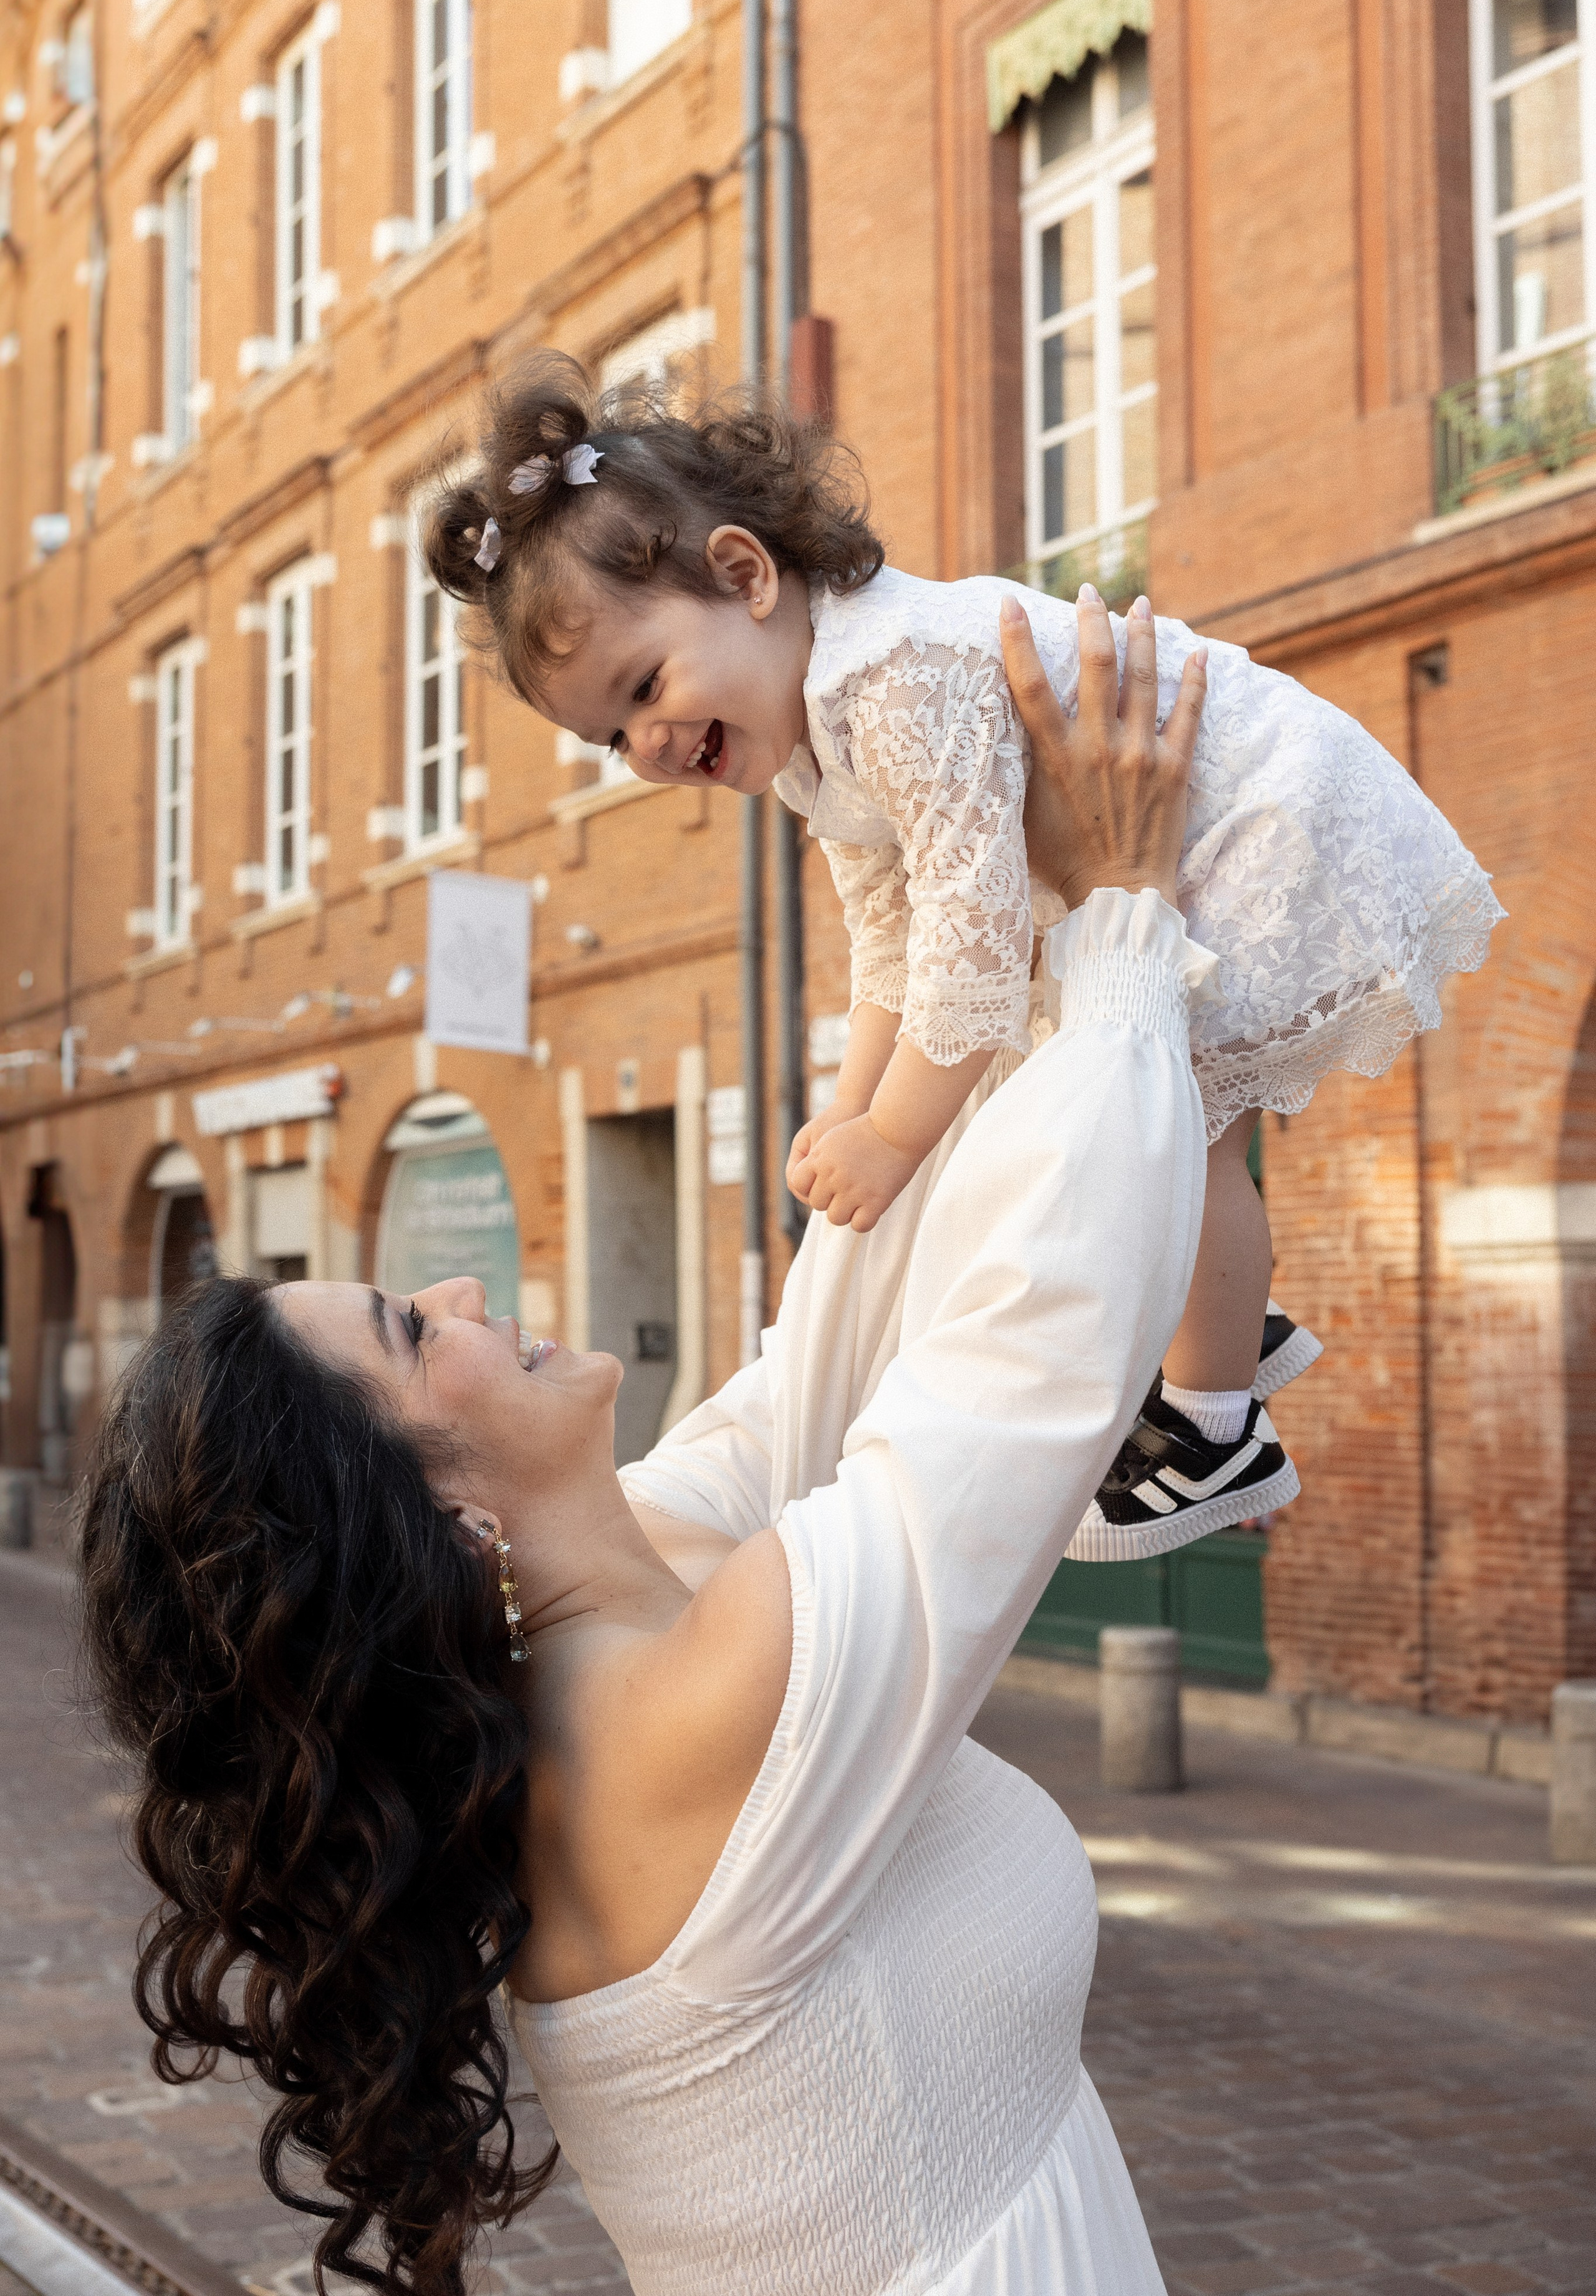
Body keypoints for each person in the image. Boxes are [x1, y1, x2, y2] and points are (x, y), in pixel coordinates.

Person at [82, 599, 1208, 2296]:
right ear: (442, 1516)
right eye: (410, 1329)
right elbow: (1019, 1371)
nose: (461, 1287)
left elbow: (814, 1370)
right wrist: (1118, 922)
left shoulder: (617, 1597)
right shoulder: (680, 1719)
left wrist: (959, 896)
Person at [421, 357, 1503, 1559]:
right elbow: (889, 939)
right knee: (1164, 1118)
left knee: (1184, 1116)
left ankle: (1214, 1424)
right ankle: (1219, 1331)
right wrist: (849, 1115)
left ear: (746, 574)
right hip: (1185, 832)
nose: (648, 745)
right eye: (610, 735)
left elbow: (974, 934)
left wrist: (895, 1136)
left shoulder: (894, 676)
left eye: (645, 685)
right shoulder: (809, 746)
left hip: (1259, 813)